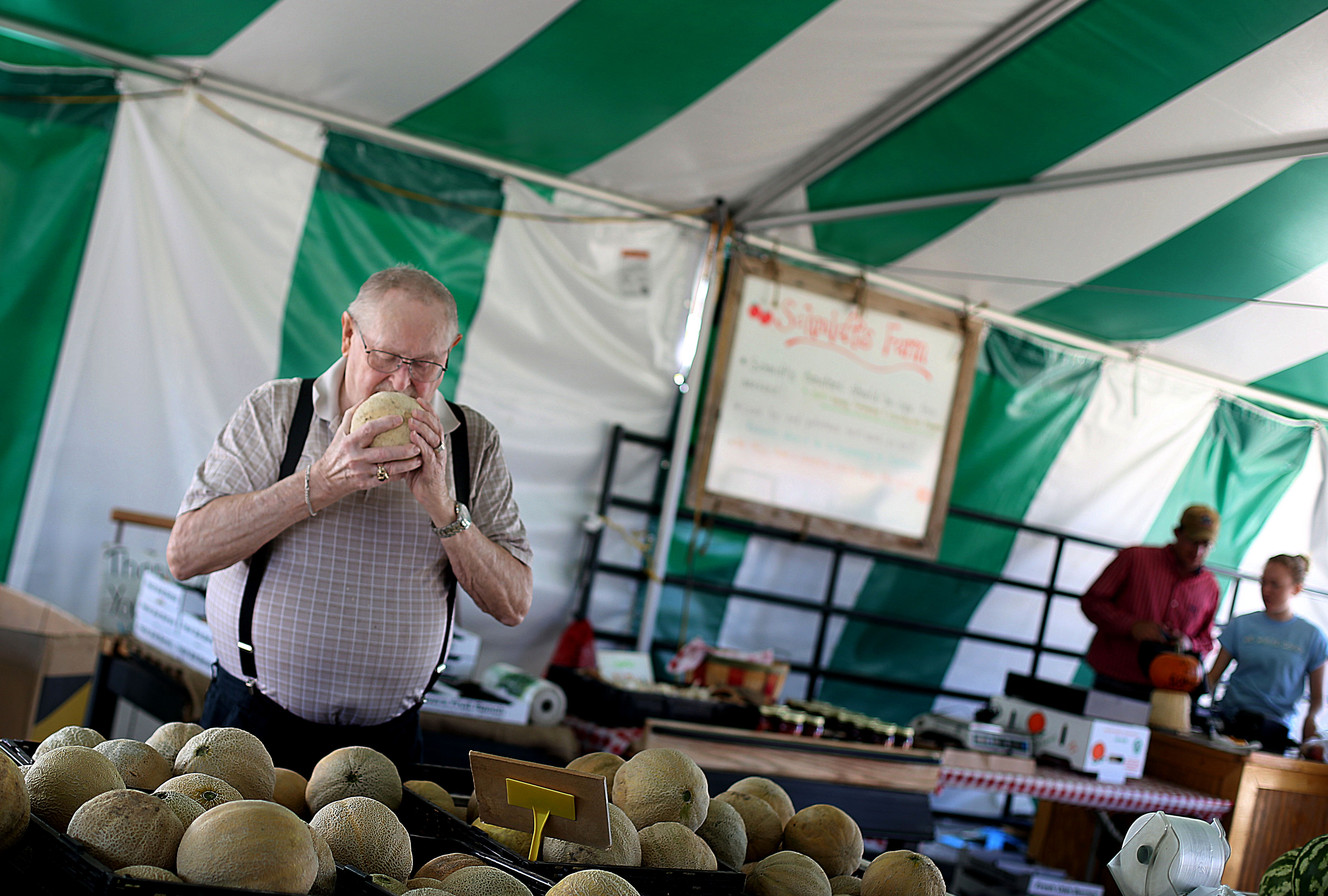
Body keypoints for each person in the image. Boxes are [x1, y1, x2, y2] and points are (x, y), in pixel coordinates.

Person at [166, 265, 533, 773]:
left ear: (451, 352)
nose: (403, 382)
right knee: (232, 854)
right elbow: (186, 554)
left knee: (369, 854)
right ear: (347, 335)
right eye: (385, 357)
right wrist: (321, 482)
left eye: (426, 364)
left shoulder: (472, 442)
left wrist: (445, 510)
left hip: (389, 743)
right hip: (253, 723)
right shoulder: (279, 411)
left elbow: (513, 604)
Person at [1079, 504, 1222, 701]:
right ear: (1177, 533)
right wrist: (1131, 626)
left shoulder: (1210, 587)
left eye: (1205, 545)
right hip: (1116, 677)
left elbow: (1206, 640)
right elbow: (1092, 601)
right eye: (1192, 541)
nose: (1197, 551)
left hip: (1168, 690)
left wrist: (1188, 643)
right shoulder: (1135, 558)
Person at [1207, 554, 1327, 755]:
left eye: (1275, 585)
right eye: (1263, 582)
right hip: (1230, 723)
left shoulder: (1312, 637)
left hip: (1276, 730)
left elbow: (1317, 699)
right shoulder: (1241, 624)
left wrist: (1311, 721)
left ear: (1296, 589)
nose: (1266, 591)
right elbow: (1212, 678)